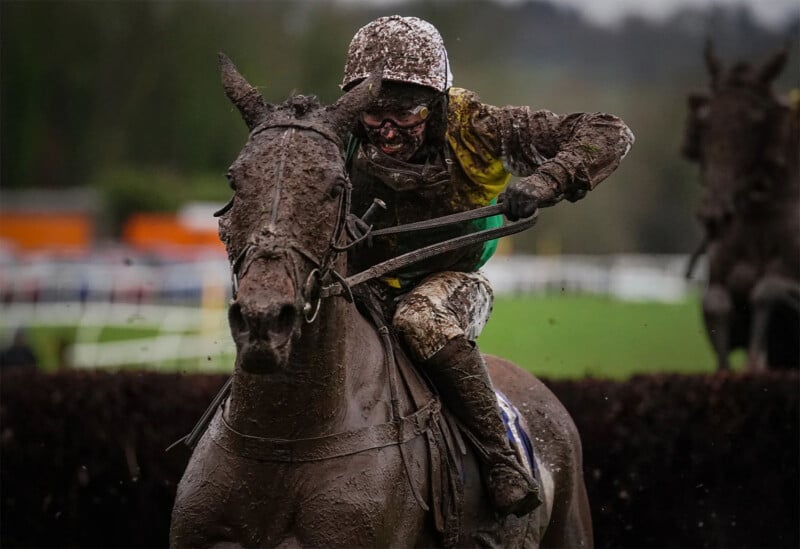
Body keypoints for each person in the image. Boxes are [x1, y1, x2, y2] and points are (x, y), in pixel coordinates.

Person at [341, 15, 634, 517]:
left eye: (405, 112)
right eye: (374, 112)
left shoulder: (480, 127)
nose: (387, 129)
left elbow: (610, 132)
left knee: (420, 318)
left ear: (437, 102)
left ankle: (502, 458)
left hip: (449, 283)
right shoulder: (339, 130)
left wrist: (546, 182)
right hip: (356, 281)